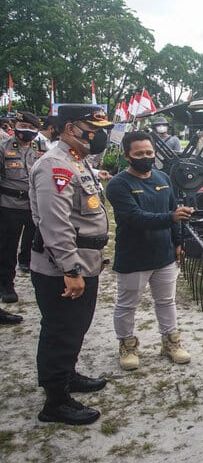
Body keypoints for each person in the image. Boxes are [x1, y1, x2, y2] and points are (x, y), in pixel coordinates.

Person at [29, 104, 113, 425]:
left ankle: (67, 375)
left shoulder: (77, 161)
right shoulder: (56, 165)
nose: (98, 135)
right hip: (62, 267)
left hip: (82, 261)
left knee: (75, 327)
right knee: (61, 329)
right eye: (91, 129)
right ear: (68, 129)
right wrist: (71, 269)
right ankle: (55, 402)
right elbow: (54, 223)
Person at [106, 131, 193, 371]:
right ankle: (127, 345)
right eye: (139, 153)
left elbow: (173, 211)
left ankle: (171, 343)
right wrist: (171, 217)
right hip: (134, 255)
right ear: (127, 156)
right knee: (127, 304)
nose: (146, 157)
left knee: (166, 301)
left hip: (163, 253)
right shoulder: (118, 185)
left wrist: (178, 242)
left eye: (149, 152)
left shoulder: (163, 178)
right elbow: (134, 218)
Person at [0, 111, 42, 306]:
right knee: (7, 247)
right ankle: (6, 285)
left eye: (32, 128)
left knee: (35, 246)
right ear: (16, 126)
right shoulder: (3, 148)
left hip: (33, 205)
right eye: (23, 126)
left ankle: (37, 279)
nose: (27, 131)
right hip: (9, 206)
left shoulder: (40, 149)